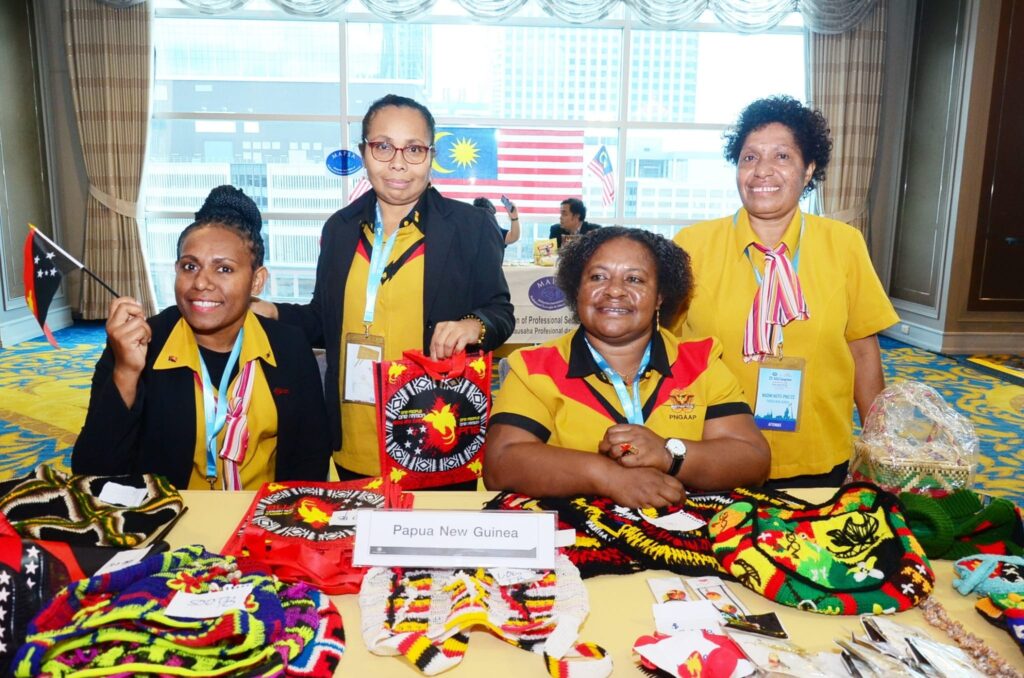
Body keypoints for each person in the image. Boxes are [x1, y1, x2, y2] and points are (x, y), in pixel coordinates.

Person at [252, 94, 514, 486]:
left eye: (414, 149)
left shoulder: (470, 227)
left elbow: (500, 312)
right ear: (364, 152)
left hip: (435, 433)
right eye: (383, 147)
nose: (398, 163)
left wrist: (472, 325)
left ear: (431, 155)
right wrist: (275, 312)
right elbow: (324, 321)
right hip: (355, 434)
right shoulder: (340, 229)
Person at [672, 95, 899, 488]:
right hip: (716, 453)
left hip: (817, 452)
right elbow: (666, 348)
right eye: (749, 157)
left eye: (781, 156)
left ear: (808, 169)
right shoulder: (692, 245)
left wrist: (880, 449)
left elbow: (863, 351)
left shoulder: (844, 244)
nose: (762, 170)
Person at [483, 227, 770, 508]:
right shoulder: (534, 367)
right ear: (577, 290)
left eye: (634, 279)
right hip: (573, 534)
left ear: (660, 296)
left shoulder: (700, 362)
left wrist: (669, 454)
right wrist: (607, 476)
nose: (614, 291)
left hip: (686, 531)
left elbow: (752, 459)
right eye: (598, 277)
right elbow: (501, 462)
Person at [73, 186, 331, 490]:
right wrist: (127, 372)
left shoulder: (289, 346)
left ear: (256, 281)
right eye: (190, 266)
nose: (201, 282)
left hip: (262, 512)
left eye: (224, 269)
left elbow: (310, 459)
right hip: (172, 512)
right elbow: (92, 471)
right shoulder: (140, 345)